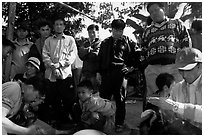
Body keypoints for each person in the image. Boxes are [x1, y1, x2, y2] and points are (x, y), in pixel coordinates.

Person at [141, 2, 192, 98]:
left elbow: (186, 41)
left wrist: (183, 62)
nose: (154, 13)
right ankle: (155, 113)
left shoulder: (177, 23)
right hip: (153, 68)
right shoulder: (147, 30)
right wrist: (145, 65)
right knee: (154, 97)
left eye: (156, 10)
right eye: (151, 12)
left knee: (177, 94)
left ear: (163, 9)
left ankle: (176, 112)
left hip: (174, 66)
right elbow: (143, 49)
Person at [98, 19, 140, 132]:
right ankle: (103, 122)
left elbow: (137, 56)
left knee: (120, 100)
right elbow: (100, 59)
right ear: (112, 29)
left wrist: (131, 68)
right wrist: (99, 73)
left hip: (121, 74)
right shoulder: (105, 42)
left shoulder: (129, 42)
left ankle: (119, 124)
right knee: (104, 99)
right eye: (116, 30)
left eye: (120, 30)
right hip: (107, 74)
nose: (118, 33)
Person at [148, 47, 202, 134]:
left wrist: (175, 106)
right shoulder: (177, 88)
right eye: (181, 70)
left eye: (188, 69)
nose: (184, 74)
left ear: (200, 66)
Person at [2, 76, 69, 135]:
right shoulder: (14, 88)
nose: (35, 100)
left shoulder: (22, 101)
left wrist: (56, 132)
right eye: (36, 97)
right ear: (30, 88)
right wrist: (26, 132)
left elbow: (31, 122)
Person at [42, 17, 77, 126]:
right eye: (56, 24)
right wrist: (53, 67)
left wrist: (60, 65)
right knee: (53, 99)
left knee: (67, 99)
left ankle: (66, 121)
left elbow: (72, 55)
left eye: (61, 24)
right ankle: (56, 122)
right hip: (51, 75)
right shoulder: (48, 40)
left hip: (65, 74)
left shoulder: (70, 39)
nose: (58, 26)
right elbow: (45, 55)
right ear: (53, 26)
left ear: (64, 26)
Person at [78, 24, 101, 93]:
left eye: (93, 32)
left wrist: (86, 51)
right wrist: (89, 50)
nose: (91, 34)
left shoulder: (100, 43)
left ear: (97, 32)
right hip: (85, 72)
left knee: (94, 93)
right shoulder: (86, 43)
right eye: (89, 32)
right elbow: (81, 55)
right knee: (82, 92)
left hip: (94, 73)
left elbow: (95, 55)